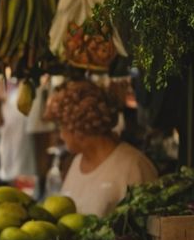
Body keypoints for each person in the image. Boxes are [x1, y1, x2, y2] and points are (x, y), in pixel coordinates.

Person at [47, 79, 158, 217]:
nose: (61, 136)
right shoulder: (76, 162)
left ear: (79, 129)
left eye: (61, 126)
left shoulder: (134, 167)